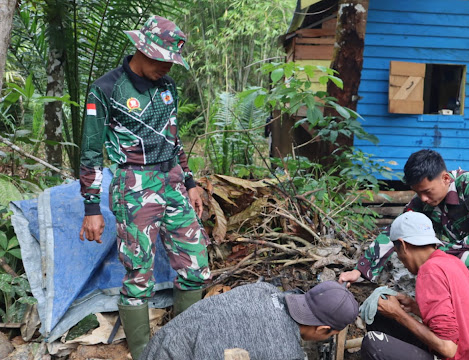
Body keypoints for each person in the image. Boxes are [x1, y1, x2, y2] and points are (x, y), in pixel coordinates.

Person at [77, 15, 212, 359]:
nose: (167, 67)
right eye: (161, 59)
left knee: (195, 267)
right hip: (133, 184)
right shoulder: (106, 89)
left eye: (171, 61)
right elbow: (91, 151)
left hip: (172, 181)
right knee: (139, 274)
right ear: (141, 48)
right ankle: (143, 353)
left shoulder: (167, 87)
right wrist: (91, 207)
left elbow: (174, 139)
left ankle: (180, 346)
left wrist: (190, 182)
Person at [340, 149, 469, 340]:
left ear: (446, 178)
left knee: (451, 260)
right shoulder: (425, 201)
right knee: (437, 262)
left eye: (426, 192)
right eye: (418, 193)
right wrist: (360, 270)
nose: (423, 199)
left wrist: (435, 252)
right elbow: (396, 231)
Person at [360, 212, 469, 360]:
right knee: (380, 316)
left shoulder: (429, 272)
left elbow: (448, 349)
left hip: (455, 356)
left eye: (397, 252)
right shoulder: (452, 262)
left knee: (374, 345)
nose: (401, 260)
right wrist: (414, 308)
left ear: (403, 245)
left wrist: (398, 314)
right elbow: (457, 319)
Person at [140, 280, 359, 360]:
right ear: (322, 328)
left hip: (156, 349)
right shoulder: (285, 353)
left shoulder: (263, 290)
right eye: (331, 334)